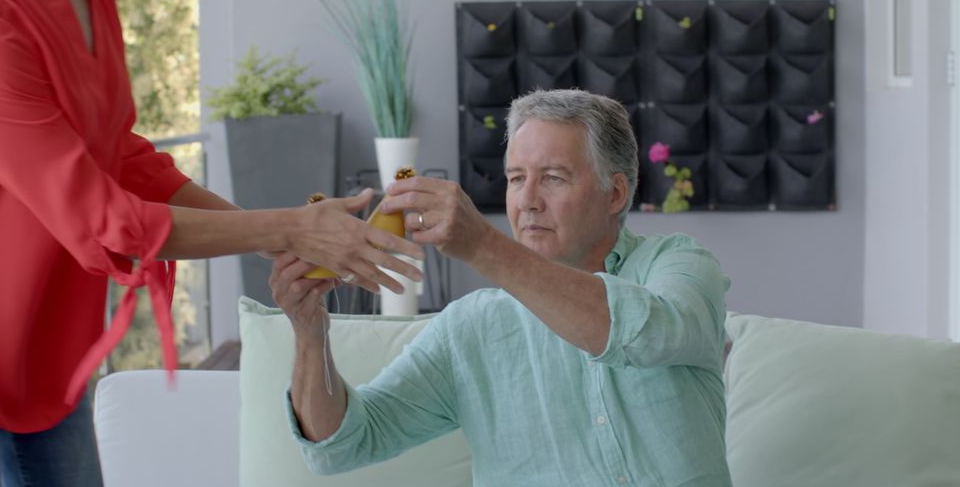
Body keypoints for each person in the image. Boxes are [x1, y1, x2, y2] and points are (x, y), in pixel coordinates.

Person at [0, 0, 422, 485]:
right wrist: (287, 230)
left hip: (47, 344)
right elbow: (101, 219)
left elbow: (118, 155)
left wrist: (271, 237)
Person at [272, 89, 732, 486]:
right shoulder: (472, 328)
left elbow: (642, 332)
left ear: (615, 194)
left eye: (553, 178)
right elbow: (342, 445)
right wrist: (310, 332)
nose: (527, 201)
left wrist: (482, 246)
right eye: (516, 180)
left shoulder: (678, 266)